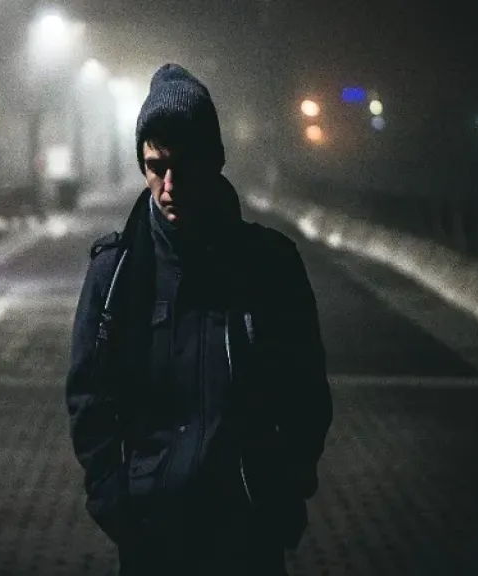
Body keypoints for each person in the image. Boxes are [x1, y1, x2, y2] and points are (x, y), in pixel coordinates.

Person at [66, 63, 333, 576]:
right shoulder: (114, 274)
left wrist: (283, 490)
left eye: (183, 167)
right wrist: (113, 499)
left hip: (245, 533)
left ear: (213, 162)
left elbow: (306, 396)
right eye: (154, 166)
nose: (168, 185)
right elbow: (88, 397)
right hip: (150, 534)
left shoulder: (270, 266)